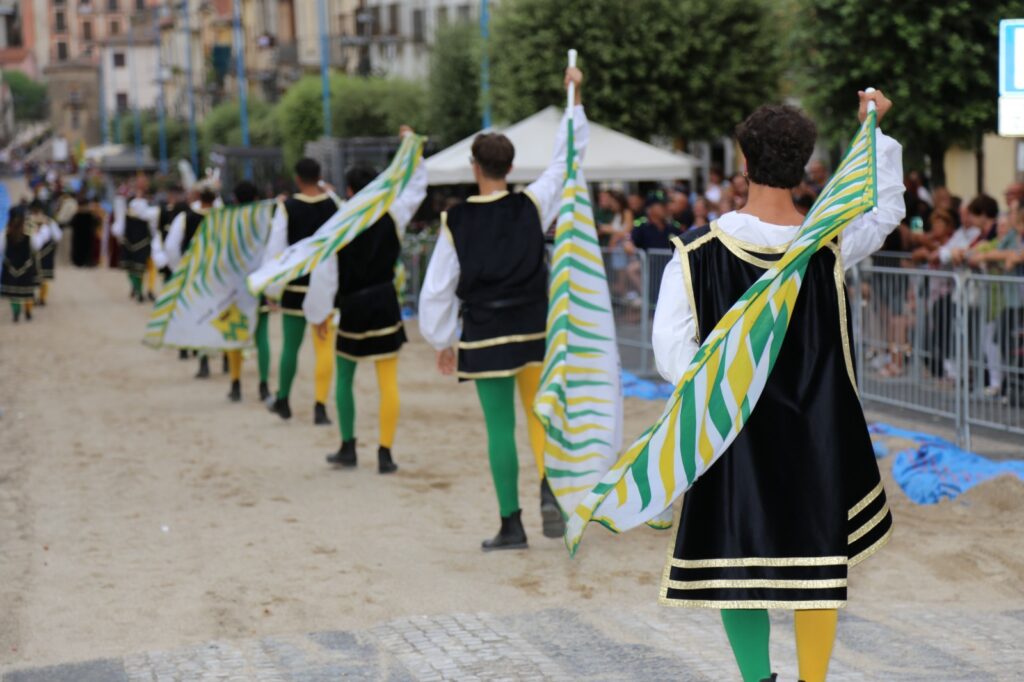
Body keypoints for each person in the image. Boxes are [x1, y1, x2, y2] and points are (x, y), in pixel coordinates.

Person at [652, 91, 904, 682]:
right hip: (818, 432)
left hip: (733, 433)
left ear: (743, 158)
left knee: (737, 563)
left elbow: (672, 357)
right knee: (817, 560)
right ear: (807, 164)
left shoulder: (696, 255)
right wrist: (875, 132)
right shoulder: (831, 244)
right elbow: (886, 209)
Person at [419, 65, 587, 551]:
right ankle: (551, 488)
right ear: (510, 167)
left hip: (486, 334)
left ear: (475, 165)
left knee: (500, 429)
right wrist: (574, 99)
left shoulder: (456, 221)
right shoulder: (532, 205)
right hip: (534, 328)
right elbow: (565, 161)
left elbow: (437, 288)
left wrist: (441, 340)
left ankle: (511, 525)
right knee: (541, 418)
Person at [303, 129, 427, 473]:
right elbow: (417, 186)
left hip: (353, 306)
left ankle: (348, 447)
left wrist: (319, 313)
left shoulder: (339, 224)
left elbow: (325, 272)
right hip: (385, 302)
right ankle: (385, 453)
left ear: (348, 191)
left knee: (345, 377)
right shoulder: (394, 212)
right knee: (388, 382)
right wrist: (411, 147)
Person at [264, 158, 341, 424]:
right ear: (319, 176)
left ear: (297, 178)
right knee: (324, 348)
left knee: (290, 347)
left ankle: (283, 399)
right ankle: (320, 406)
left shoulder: (288, 208)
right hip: (325, 285)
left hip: (296, 286)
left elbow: (276, 249)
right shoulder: (334, 205)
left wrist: (271, 288)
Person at [222, 180, 270, 402]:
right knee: (262, 337)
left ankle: (236, 383)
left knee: (235, 335)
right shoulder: (265, 221)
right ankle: (263, 385)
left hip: (234, 286)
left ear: (236, 199)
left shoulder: (228, 222)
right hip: (259, 284)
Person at [165, 184, 217, 378]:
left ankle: (201, 360)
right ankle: (229, 359)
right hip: (218, 273)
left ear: (198, 197)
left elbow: (171, 247)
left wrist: (180, 267)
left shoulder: (185, 218)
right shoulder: (223, 217)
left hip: (195, 273)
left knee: (197, 315)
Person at [112, 191, 163, 304]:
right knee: (143, 268)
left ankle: (139, 289)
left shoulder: (129, 213)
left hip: (133, 244)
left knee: (134, 268)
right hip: (143, 244)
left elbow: (117, 230)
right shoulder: (149, 214)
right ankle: (145, 290)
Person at [1, 207, 51, 322]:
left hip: (11, 268)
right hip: (26, 267)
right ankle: (28, 310)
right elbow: (36, 246)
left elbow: (1, 248)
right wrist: (41, 229)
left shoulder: (5, 234)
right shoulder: (29, 235)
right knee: (27, 292)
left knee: (14, 294)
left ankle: (16, 311)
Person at [26, 201, 61, 306]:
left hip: (45, 254)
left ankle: (42, 297)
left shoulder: (49, 222)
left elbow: (58, 236)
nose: (36, 214)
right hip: (32, 255)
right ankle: (33, 298)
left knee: (43, 278)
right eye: (34, 211)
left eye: (37, 211)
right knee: (31, 278)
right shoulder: (28, 222)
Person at [70, 192, 100, 267]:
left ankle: (79, 262)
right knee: (87, 249)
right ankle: (87, 262)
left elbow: (72, 224)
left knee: (79, 249)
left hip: (79, 237)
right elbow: (96, 223)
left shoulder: (77, 215)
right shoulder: (90, 215)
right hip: (87, 236)